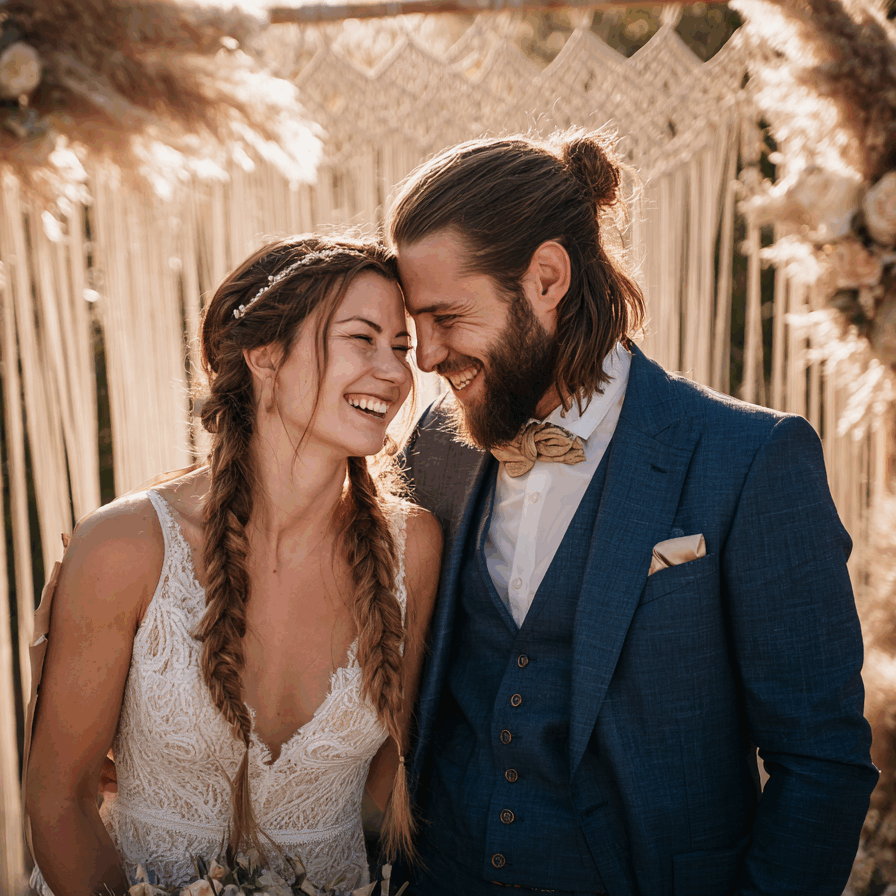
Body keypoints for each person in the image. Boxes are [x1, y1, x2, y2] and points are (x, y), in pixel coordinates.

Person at [385, 132, 878, 896]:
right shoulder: (439, 446)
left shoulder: (749, 459)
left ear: (546, 278)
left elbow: (822, 760)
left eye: (447, 316)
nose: (425, 355)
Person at [24, 236, 442, 896]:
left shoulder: (412, 548)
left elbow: (385, 791)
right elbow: (59, 801)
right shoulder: (125, 547)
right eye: (363, 339)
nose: (394, 374)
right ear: (266, 356)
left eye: (401, 348)